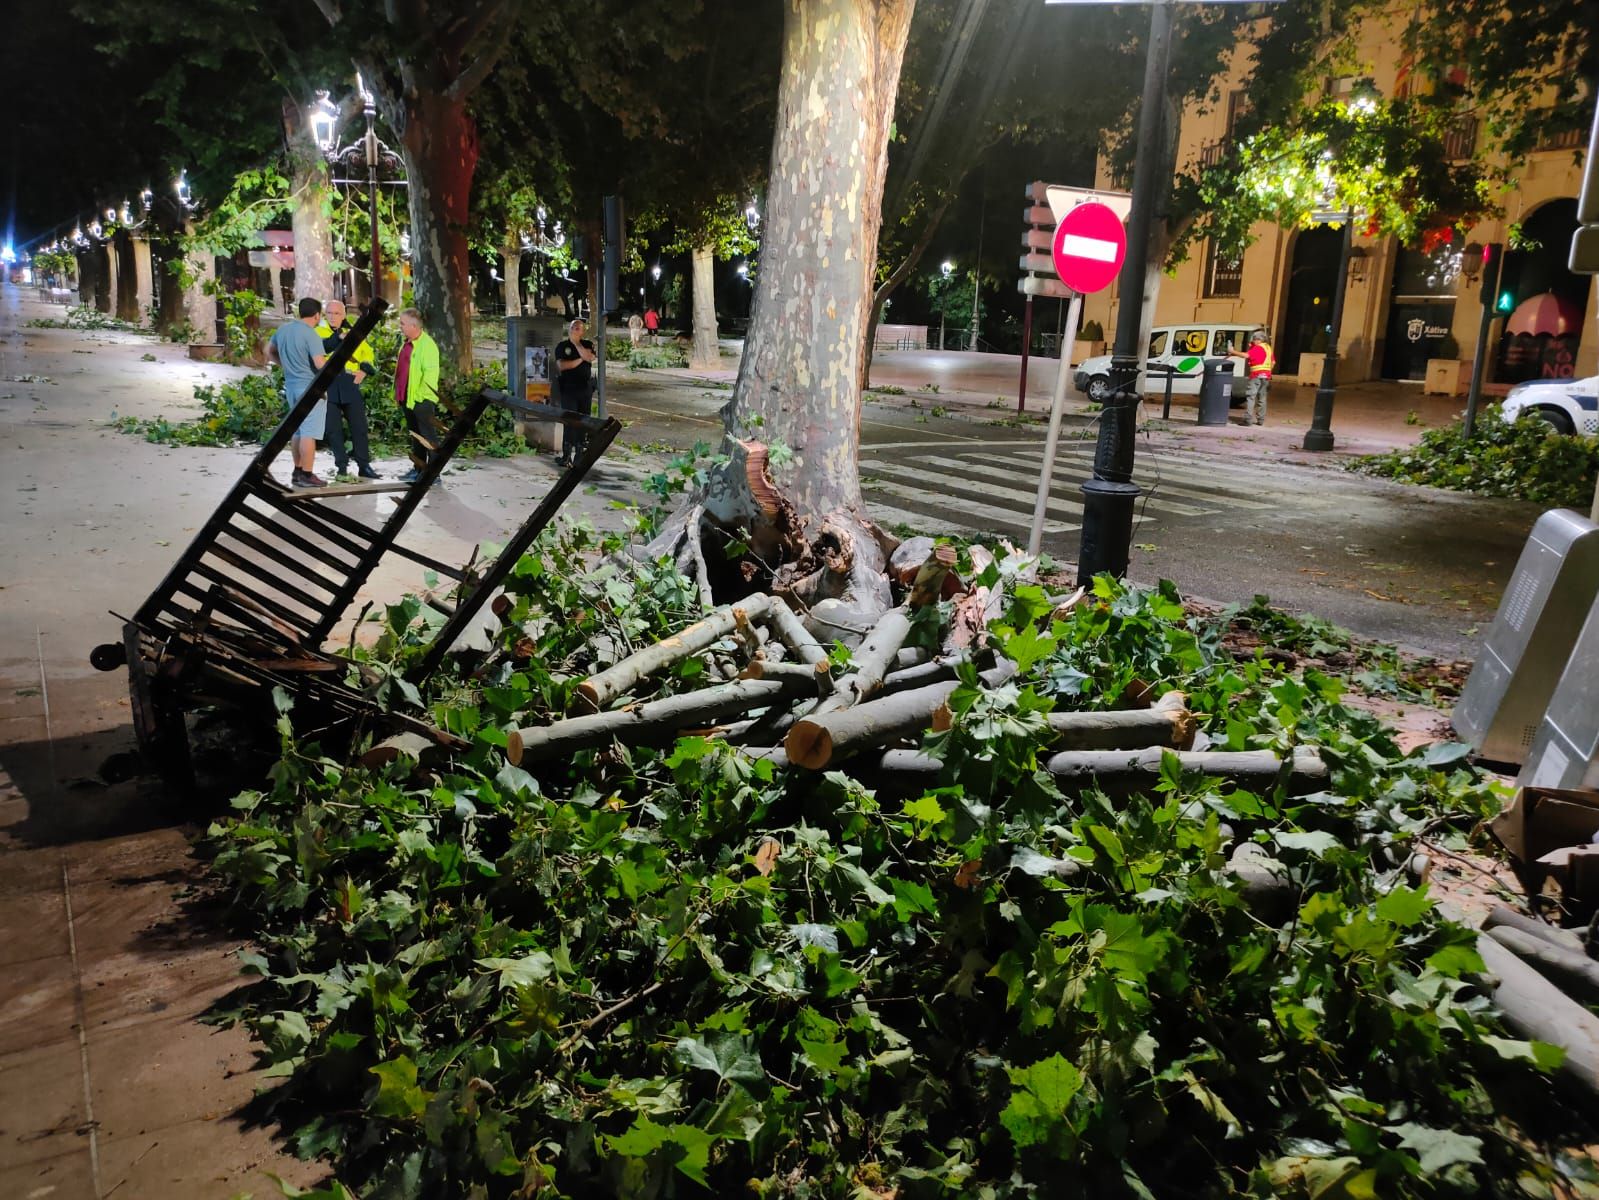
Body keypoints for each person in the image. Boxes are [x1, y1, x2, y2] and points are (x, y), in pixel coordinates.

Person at [266, 297, 329, 488]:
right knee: (309, 433)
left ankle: (297, 471)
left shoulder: (283, 330)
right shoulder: (311, 334)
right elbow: (319, 364)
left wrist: (283, 365)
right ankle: (307, 474)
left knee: (298, 430)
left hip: (291, 386)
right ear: (317, 315)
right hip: (309, 388)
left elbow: (269, 351)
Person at [317, 299, 379, 480]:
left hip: (350, 383)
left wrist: (364, 370)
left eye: (337, 313)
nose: (332, 317)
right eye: (329, 313)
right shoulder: (317, 332)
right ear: (324, 314)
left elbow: (368, 353)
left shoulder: (353, 332)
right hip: (328, 384)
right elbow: (319, 350)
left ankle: (364, 465)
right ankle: (341, 467)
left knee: (359, 426)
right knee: (333, 429)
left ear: (344, 315)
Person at [394, 308, 441, 484]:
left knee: (428, 438)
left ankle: (434, 474)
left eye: (403, 323)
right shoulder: (407, 343)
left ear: (414, 326)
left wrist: (419, 399)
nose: (400, 326)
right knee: (416, 436)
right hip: (408, 398)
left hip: (422, 400)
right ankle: (418, 470)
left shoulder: (427, 346)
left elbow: (429, 376)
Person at [554, 317, 596, 468]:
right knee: (570, 421)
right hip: (568, 389)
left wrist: (577, 345)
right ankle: (566, 456)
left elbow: (590, 357)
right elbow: (562, 366)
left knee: (583, 421)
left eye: (580, 328)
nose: (577, 330)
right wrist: (581, 359)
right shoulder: (562, 346)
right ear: (569, 329)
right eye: (574, 328)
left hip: (585, 389)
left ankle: (579, 455)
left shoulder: (587, 344)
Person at [1228, 329, 1274, 427]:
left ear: (1258, 340)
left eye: (1253, 340)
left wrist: (1232, 351)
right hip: (1266, 376)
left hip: (1256, 375)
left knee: (1251, 397)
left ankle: (1247, 420)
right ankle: (1260, 420)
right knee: (1262, 398)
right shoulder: (1268, 348)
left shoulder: (1257, 348)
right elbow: (1273, 362)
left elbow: (1246, 355)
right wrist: (1267, 371)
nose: (1252, 341)